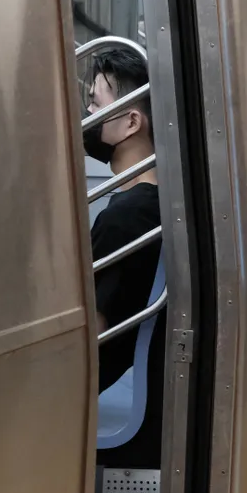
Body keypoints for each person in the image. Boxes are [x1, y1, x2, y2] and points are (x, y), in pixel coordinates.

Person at [84, 49, 162, 395]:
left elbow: (89, 337)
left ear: (132, 121)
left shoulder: (123, 219)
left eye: (96, 104)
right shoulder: (155, 202)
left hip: (90, 384)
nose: (87, 114)